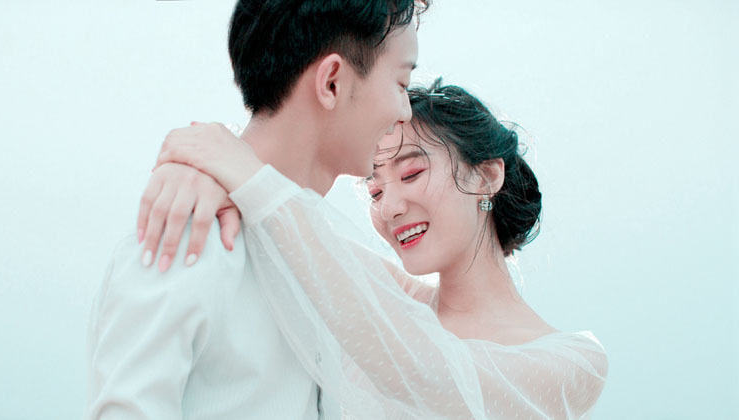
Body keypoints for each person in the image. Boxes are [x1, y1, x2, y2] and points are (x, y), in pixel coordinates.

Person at [138, 80, 609, 419]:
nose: (390, 208)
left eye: (411, 174)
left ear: (486, 175)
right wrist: (198, 168)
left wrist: (236, 169)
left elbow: (424, 374)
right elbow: (289, 227)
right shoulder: (384, 297)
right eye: (375, 191)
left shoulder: (575, 361)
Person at [85, 1, 427, 419]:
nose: (405, 112)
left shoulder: (324, 259)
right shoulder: (183, 236)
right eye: (401, 83)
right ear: (332, 82)